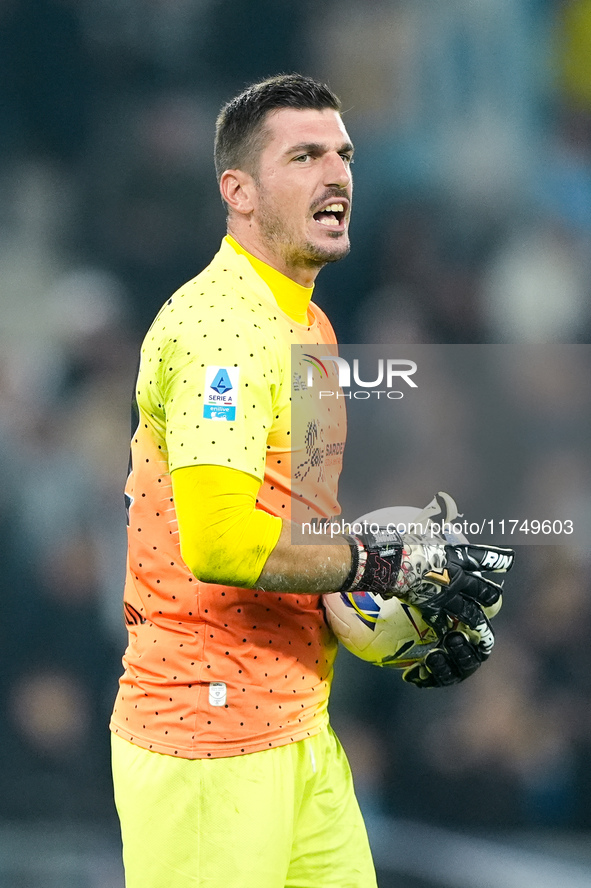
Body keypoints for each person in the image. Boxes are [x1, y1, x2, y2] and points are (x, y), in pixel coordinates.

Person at [110, 73, 513, 888]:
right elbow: (220, 542)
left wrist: (388, 620)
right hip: (206, 739)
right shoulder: (218, 329)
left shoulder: (308, 323)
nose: (337, 175)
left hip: (297, 727)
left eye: (344, 154)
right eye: (304, 156)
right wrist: (375, 566)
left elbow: (300, 533)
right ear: (240, 191)